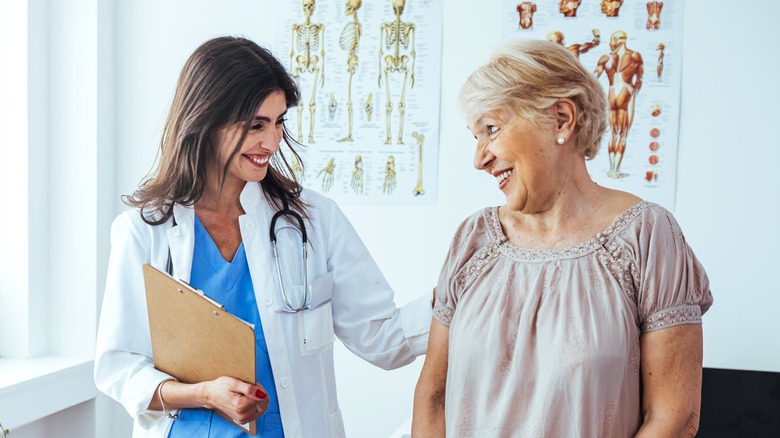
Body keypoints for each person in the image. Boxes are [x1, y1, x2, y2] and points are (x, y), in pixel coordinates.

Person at [94, 36, 431, 438]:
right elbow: (119, 366)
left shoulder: (313, 220)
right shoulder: (144, 230)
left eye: (278, 123)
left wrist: (468, 292)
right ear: (206, 119)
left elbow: (383, 337)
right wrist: (204, 394)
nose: (271, 143)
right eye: (256, 125)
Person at [412, 40, 712, 437]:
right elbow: (433, 395)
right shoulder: (473, 239)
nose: (479, 158)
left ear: (562, 119)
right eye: (475, 137)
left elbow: (673, 419)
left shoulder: (647, 237)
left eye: (492, 129)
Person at [594, 30, 643, 179]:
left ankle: (611, 170)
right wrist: (634, 91)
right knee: (622, 133)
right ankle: (615, 170)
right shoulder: (634, 56)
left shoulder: (606, 58)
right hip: (625, 91)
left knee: (614, 133)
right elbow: (639, 79)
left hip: (612, 92)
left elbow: (593, 78)